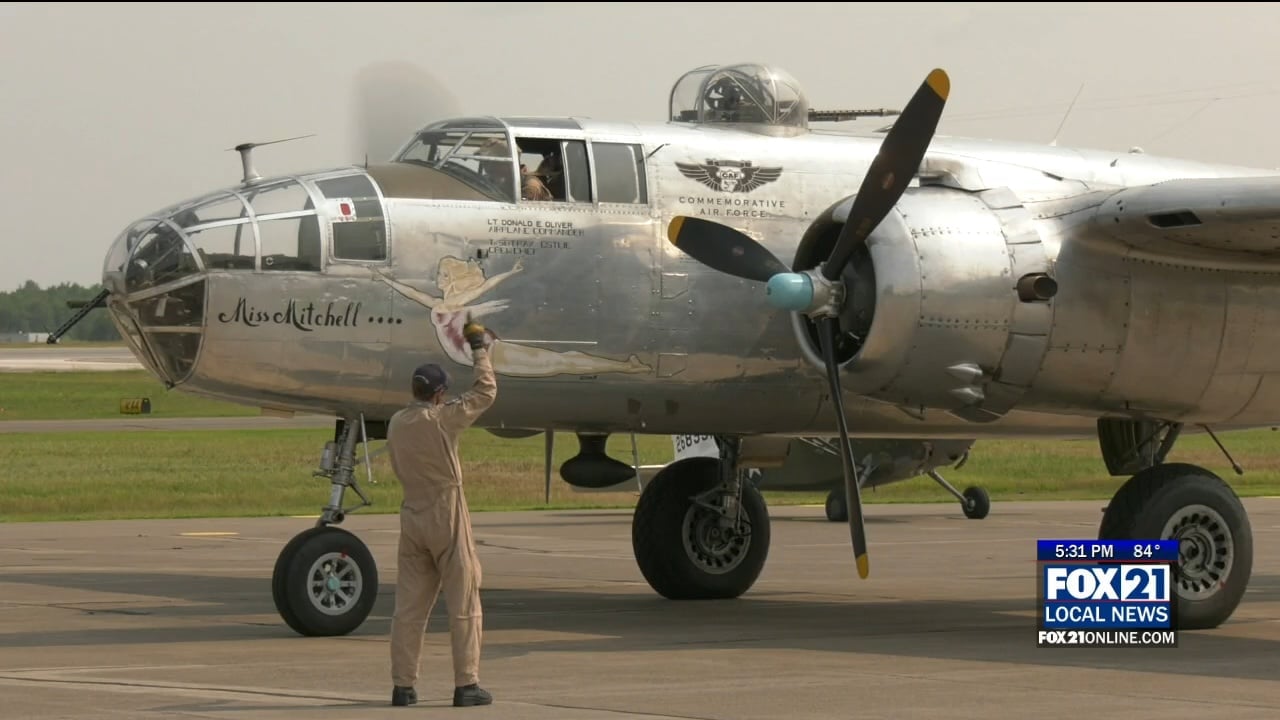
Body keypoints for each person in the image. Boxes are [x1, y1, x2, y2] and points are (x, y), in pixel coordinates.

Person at [386, 313, 498, 708]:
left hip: (412, 512)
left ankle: (403, 686)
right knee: (464, 603)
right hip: (446, 512)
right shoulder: (442, 420)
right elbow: (485, 392)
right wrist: (479, 349)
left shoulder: (398, 423)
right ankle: (466, 684)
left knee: (409, 609)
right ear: (437, 395)